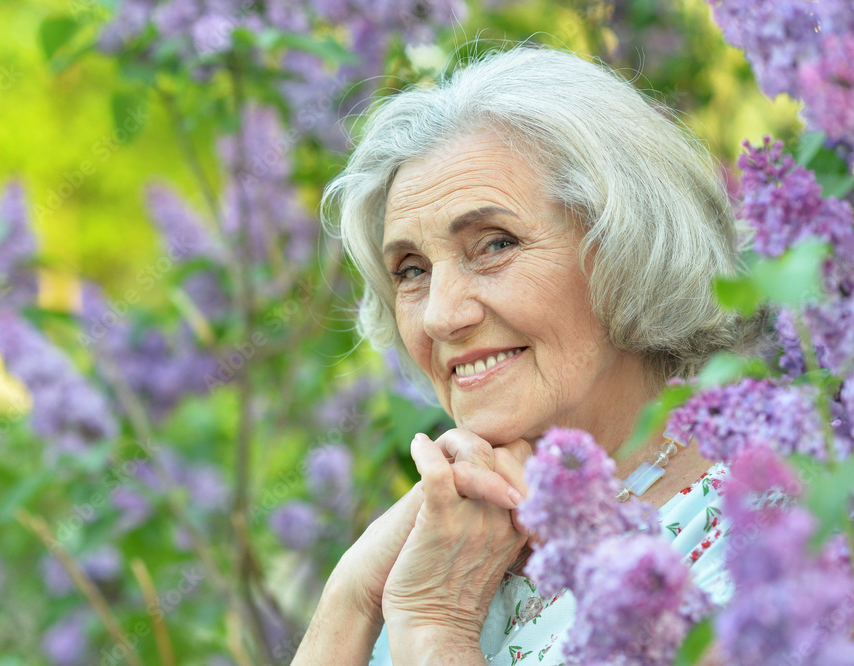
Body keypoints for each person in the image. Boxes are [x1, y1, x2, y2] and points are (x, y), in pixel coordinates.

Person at [293, 43, 756, 665]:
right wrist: (349, 599)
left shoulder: (767, 538)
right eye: (410, 270)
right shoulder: (440, 548)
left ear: (626, 246)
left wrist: (438, 630)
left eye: (494, 244)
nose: (440, 314)